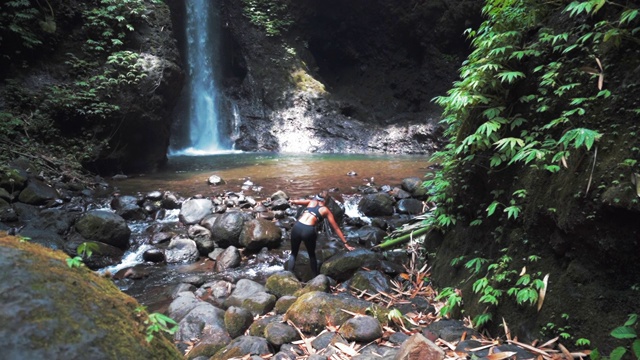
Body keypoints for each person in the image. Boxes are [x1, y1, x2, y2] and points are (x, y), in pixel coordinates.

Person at [287, 190, 355, 276]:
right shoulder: (325, 210)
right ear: (326, 201)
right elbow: (336, 227)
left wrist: (291, 201)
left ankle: (288, 275)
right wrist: (345, 243)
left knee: (293, 254)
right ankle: (315, 278)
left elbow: (296, 202)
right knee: (311, 255)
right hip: (308, 230)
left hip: (297, 227)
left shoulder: (311, 201)